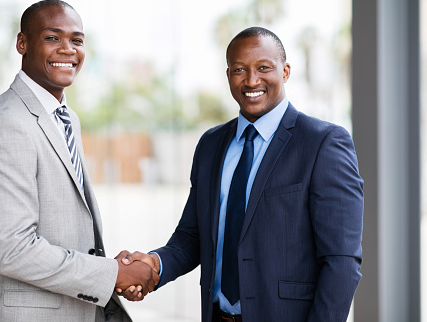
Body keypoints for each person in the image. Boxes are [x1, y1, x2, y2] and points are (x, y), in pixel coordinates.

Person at [118, 27, 364, 322]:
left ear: (285, 71)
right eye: (239, 70)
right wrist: (153, 265)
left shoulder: (322, 143)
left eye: (264, 68)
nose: (251, 80)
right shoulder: (211, 145)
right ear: (228, 75)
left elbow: (341, 261)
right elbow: (192, 236)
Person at [0, 0, 157, 322]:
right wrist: (112, 275)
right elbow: (14, 249)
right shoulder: (5, 123)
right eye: (53, 38)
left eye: (76, 40)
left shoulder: (66, 119)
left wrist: (110, 269)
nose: (68, 49)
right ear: (22, 43)